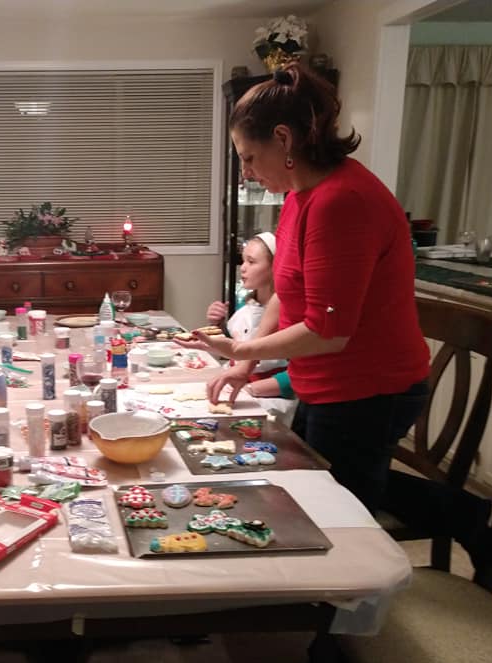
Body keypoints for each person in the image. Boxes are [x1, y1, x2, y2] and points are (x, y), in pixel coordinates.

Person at [181, 63, 429, 515]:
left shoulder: (341, 201)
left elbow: (327, 332)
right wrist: (244, 364)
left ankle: (463, 518)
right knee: (310, 482)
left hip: (368, 387)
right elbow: (287, 294)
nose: (246, 172)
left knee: (334, 511)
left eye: (249, 157)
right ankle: (464, 515)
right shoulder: (300, 196)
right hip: (322, 381)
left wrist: (238, 350)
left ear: (283, 138)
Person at [204, 231, 296, 421]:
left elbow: (295, 376)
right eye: (243, 260)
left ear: (275, 267)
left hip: (270, 399)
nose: (243, 268)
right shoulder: (245, 305)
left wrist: (251, 389)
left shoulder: (289, 315)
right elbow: (236, 347)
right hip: (239, 385)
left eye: (251, 262)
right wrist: (217, 325)